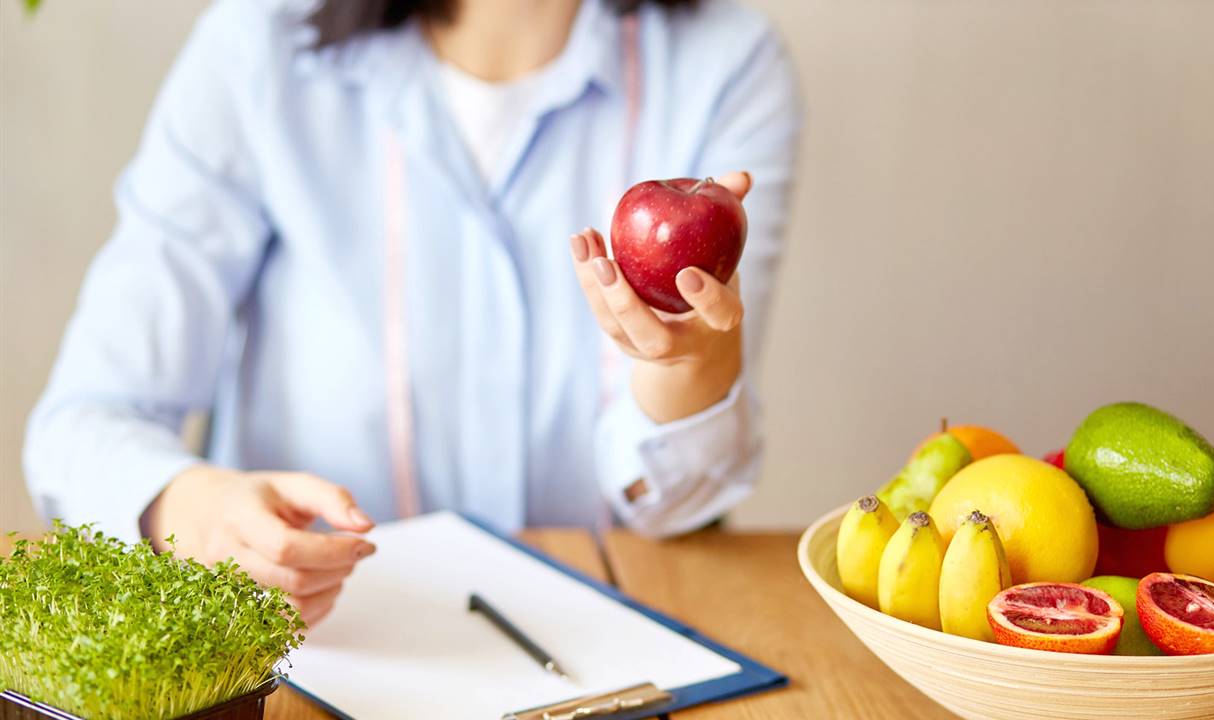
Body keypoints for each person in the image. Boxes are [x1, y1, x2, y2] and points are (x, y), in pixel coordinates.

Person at [24, 0, 799, 623]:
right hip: (324, 651)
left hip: (599, 649)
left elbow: (682, 502)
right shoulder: (257, 48)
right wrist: (195, 509)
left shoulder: (725, 63)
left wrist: (687, 365)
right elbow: (83, 426)